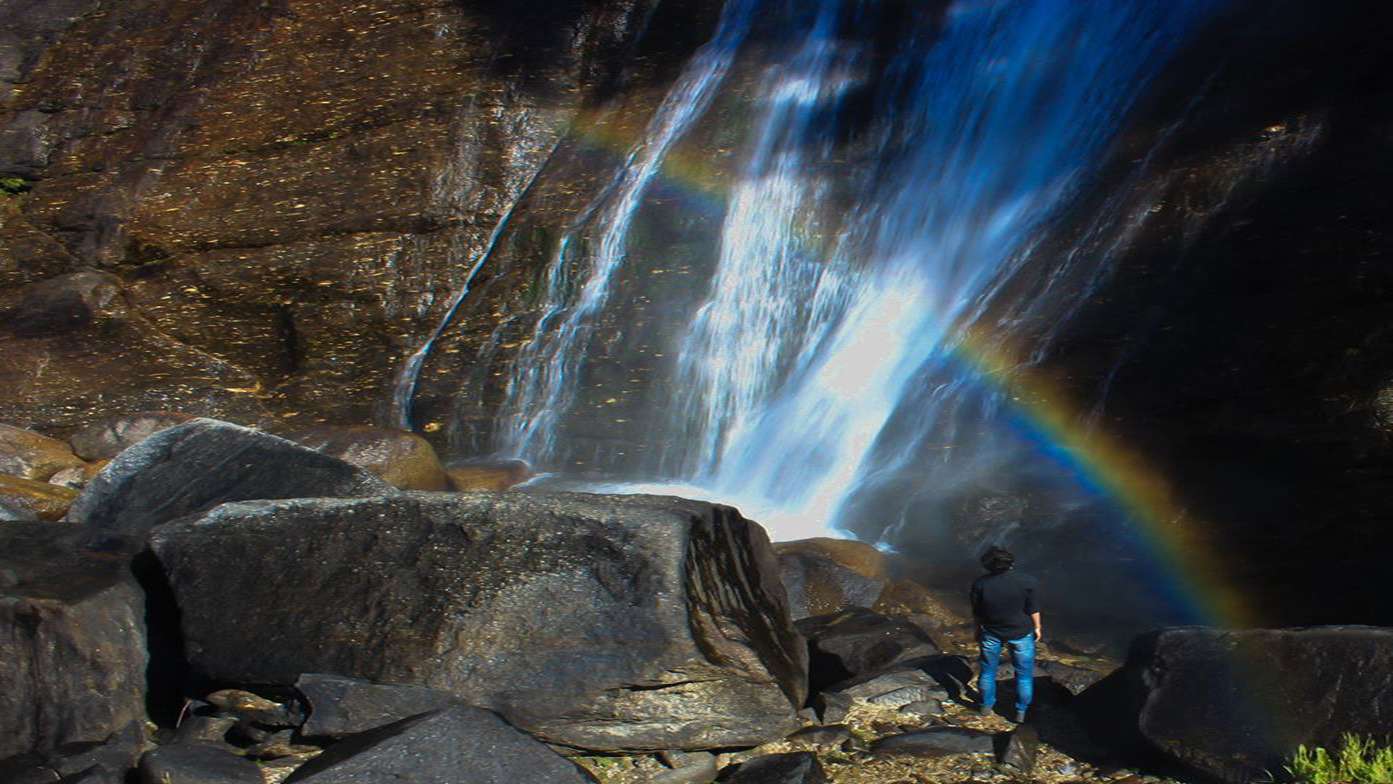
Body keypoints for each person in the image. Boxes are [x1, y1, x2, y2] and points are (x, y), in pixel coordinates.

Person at [969, 546, 1041, 723]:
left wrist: (978, 629)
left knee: (987, 671)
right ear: (1011, 563)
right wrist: (1038, 627)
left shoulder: (980, 584)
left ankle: (986, 706)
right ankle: (1021, 711)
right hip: (1021, 632)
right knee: (1024, 675)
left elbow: (977, 612)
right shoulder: (1028, 581)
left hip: (991, 631)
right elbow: (1033, 608)